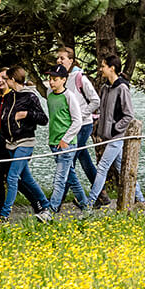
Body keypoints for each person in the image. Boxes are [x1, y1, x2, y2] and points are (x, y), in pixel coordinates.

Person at [87, 54, 145, 208]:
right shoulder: (105, 88)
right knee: (121, 167)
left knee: (102, 168)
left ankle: (90, 203)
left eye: (103, 66)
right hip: (107, 137)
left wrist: (115, 128)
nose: (101, 69)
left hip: (116, 137)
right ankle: (140, 199)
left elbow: (128, 114)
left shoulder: (122, 88)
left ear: (112, 68)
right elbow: (102, 111)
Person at [0, 65, 50, 221]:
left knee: (12, 177)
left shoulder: (30, 96)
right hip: (11, 143)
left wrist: (26, 114)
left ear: (12, 80)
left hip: (25, 142)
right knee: (26, 179)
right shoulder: (10, 96)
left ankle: (4, 215)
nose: (4, 81)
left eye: (6, 79)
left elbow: (44, 119)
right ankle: (46, 206)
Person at [57, 47, 104, 201]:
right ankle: (101, 195)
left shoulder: (80, 78)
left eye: (62, 58)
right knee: (84, 160)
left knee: (68, 161)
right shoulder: (61, 78)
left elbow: (96, 100)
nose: (59, 61)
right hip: (71, 127)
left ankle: (58, 200)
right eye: (58, 58)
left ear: (71, 60)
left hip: (83, 126)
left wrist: (81, 115)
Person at [43, 64, 90, 215]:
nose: (51, 82)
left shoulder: (70, 96)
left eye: (55, 79)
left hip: (67, 145)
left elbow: (77, 121)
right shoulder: (49, 93)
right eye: (50, 79)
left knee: (59, 179)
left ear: (64, 80)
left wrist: (66, 139)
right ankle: (86, 207)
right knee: (71, 178)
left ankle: (50, 211)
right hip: (54, 143)